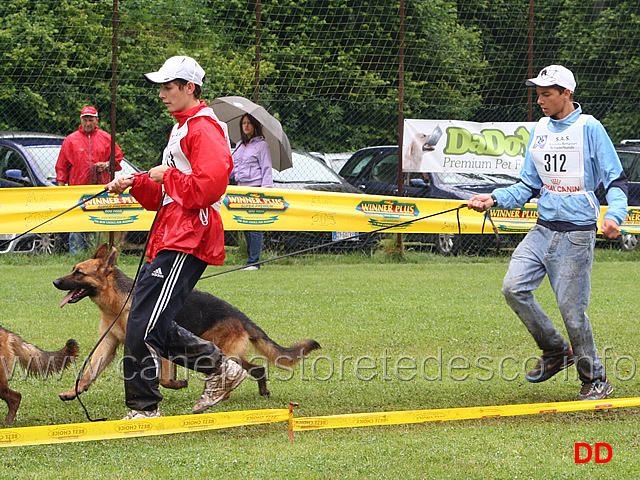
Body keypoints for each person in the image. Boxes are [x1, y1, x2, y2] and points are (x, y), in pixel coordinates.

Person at [467, 65, 628, 401]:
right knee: (513, 288)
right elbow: (528, 184)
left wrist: (614, 215)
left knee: (572, 312)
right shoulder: (539, 129)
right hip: (542, 230)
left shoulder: (590, 128)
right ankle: (556, 351)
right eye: (538, 93)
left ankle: (595, 379)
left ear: (566, 94)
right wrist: (494, 198)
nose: (540, 100)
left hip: (576, 236)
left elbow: (615, 180)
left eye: (546, 94)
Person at [105, 55, 246, 420]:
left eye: (169, 87)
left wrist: (165, 175)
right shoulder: (181, 128)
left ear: (190, 88)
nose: (163, 94)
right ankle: (216, 370)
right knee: (147, 320)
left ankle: (147, 406)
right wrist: (135, 181)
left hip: (188, 235)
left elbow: (209, 189)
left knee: (143, 321)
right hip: (170, 231)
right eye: (162, 88)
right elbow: (162, 197)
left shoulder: (203, 128)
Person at [56, 106, 124, 254]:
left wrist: (106, 164)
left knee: (97, 223)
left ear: (96, 121)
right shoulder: (70, 140)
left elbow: (118, 159)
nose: (88, 123)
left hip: (99, 189)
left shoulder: (106, 138)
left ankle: (95, 253)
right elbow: (62, 166)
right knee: (77, 225)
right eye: (85, 120)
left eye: (91, 120)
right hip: (77, 189)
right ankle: (76, 255)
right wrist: (61, 188)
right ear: (81, 120)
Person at [231, 113, 273, 270]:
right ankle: (250, 259)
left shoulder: (262, 145)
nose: (246, 126)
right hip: (240, 188)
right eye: (244, 123)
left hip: (255, 189)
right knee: (245, 224)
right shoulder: (240, 145)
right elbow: (235, 168)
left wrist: (266, 192)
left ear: (255, 126)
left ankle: (254, 261)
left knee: (254, 224)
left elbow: (266, 168)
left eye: (249, 123)